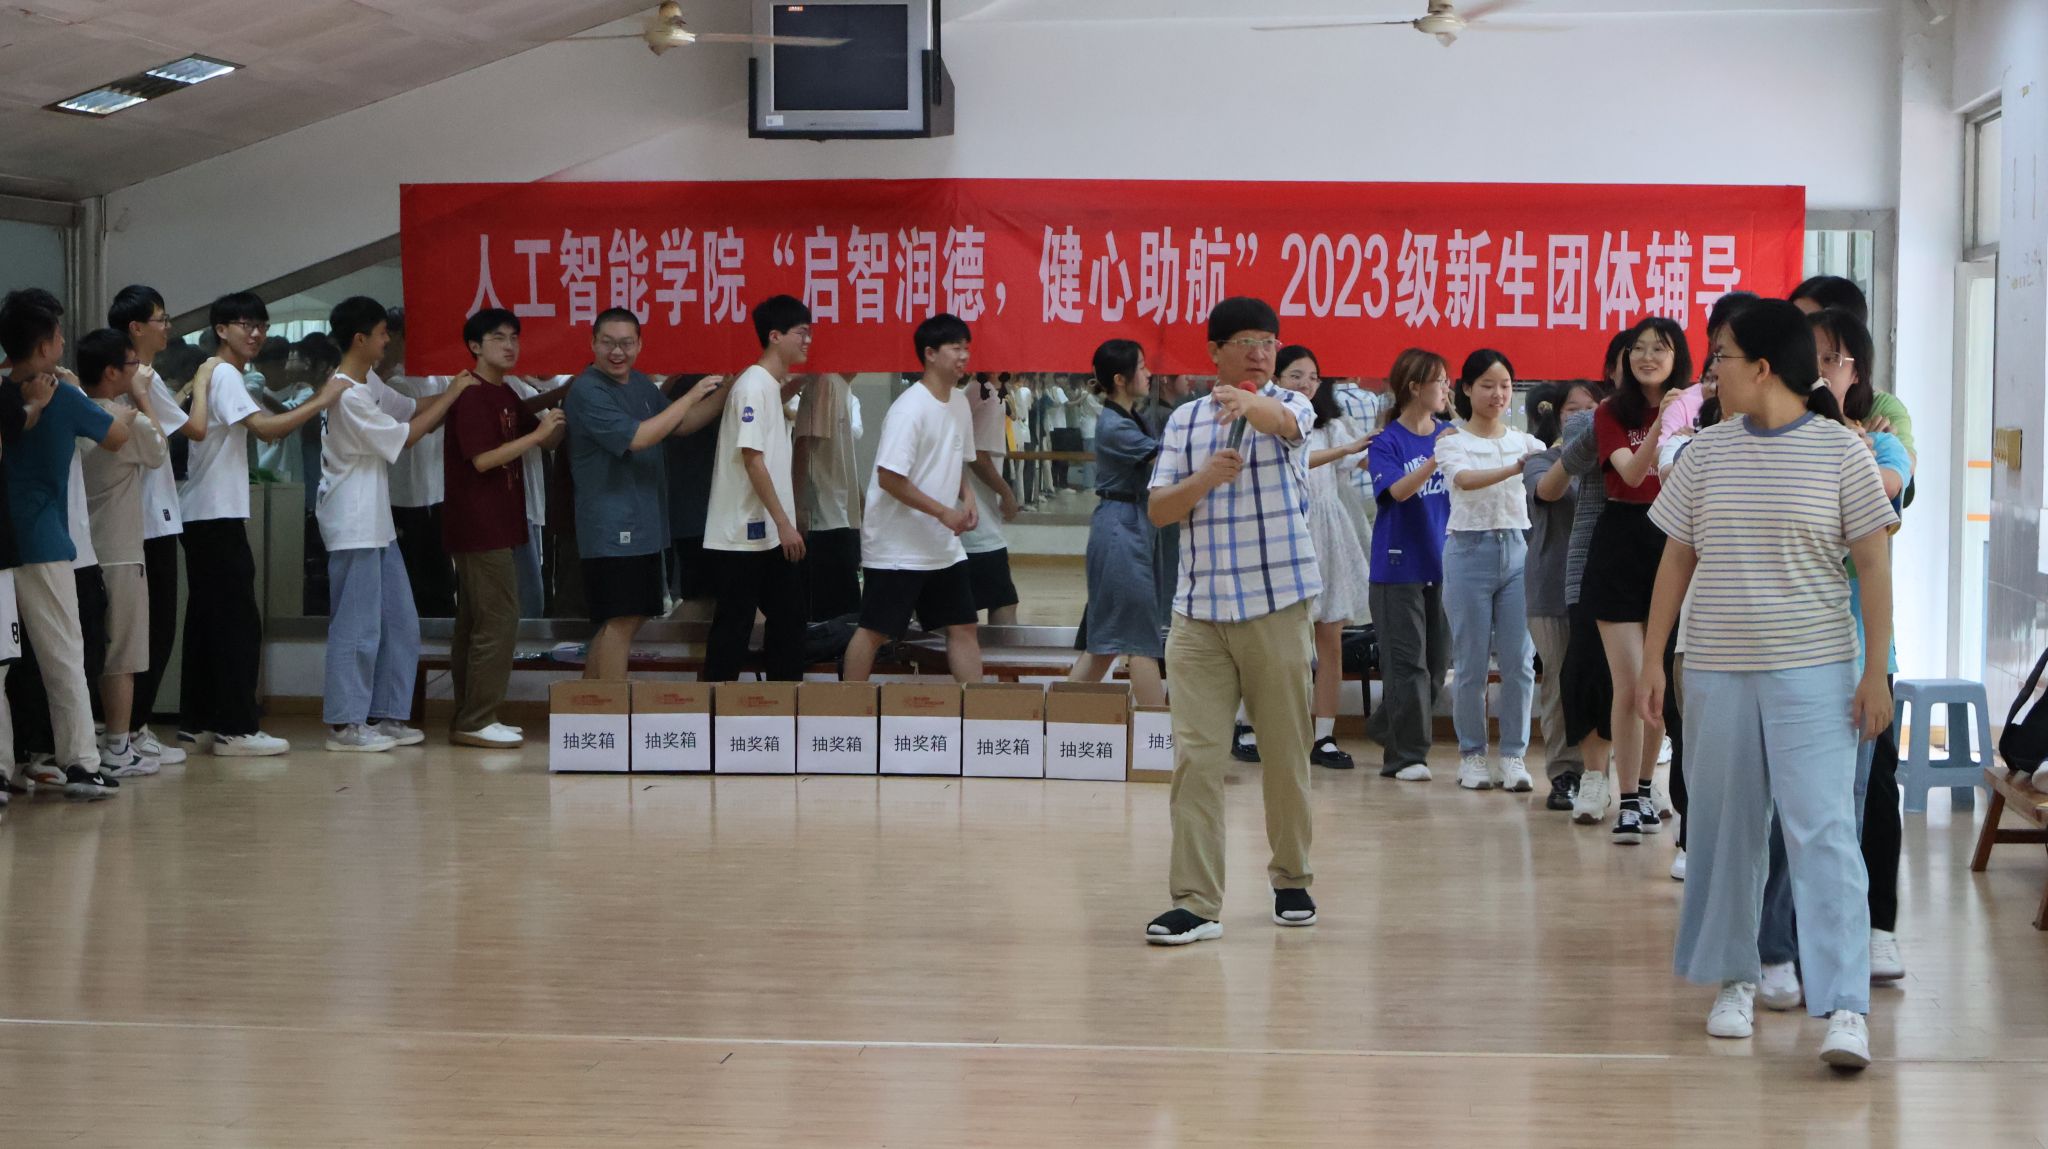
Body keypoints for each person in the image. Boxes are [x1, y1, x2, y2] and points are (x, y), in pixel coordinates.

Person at [1638, 297, 1895, 1070]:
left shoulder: (1842, 452)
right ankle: (1735, 979)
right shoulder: (1707, 453)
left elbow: (1874, 563)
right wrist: (1652, 658)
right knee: (1725, 830)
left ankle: (1845, 1004)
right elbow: (1675, 558)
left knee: (1823, 832)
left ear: (1762, 366)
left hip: (1817, 670)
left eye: (1721, 356)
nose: (1710, 370)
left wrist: (1875, 671)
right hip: (1717, 669)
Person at [1750, 306, 1916, 1011]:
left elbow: (1884, 492)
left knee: (1849, 807)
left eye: (1832, 359)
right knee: (1787, 810)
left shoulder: (1880, 440)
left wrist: (1845, 437)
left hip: (1862, 652)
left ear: (1857, 370)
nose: (1819, 371)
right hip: (1786, 648)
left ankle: (1850, 952)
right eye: (1811, 357)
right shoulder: (1768, 440)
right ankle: (1775, 948)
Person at [1142, 297, 1321, 946]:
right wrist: (1204, 480)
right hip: (1198, 615)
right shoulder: (1184, 421)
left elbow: (1284, 422)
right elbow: (1160, 509)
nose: (1260, 352)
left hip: (1277, 604)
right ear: (1214, 351)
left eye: (1268, 341)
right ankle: (1195, 902)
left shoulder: (1290, 404)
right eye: (1245, 341)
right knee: (1196, 758)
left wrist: (1250, 404)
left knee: (1284, 751)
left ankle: (1292, 877)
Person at [180, 292, 346, 756]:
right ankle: (236, 728)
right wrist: (324, 398)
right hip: (215, 513)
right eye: (246, 324)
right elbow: (269, 429)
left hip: (202, 512)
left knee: (207, 620)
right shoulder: (224, 373)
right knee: (237, 623)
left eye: (262, 325)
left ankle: (199, 722)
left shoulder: (215, 373)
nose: (256, 334)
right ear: (221, 330)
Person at [318, 297, 472, 752]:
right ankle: (346, 724)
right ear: (360, 338)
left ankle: (386, 715)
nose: (389, 341)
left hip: (377, 522)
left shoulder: (367, 382)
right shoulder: (346, 393)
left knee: (400, 621)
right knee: (357, 625)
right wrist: (454, 395)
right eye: (383, 333)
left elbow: (408, 408)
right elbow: (405, 436)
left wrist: (458, 389)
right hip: (352, 522)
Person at [0, 291, 131, 799]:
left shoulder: (4, 395)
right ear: (45, 346)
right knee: (63, 655)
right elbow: (116, 436)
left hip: (3, 540)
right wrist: (83, 391)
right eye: (57, 336)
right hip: (43, 541)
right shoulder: (64, 395)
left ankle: (6, 767)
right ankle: (80, 762)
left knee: (2, 664)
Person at [565, 309, 724, 681]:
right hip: (611, 529)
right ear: (593, 343)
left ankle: (588, 702)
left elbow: (680, 424)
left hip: (645, 526)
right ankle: (611, 706)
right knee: (620, 619)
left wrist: (729, 388)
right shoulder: (588, 390)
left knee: (628, 618)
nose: (617, 352)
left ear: (639, 345)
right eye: (608, 343)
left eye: (626, 343)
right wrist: (691, 394)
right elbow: (638, 438)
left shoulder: (639, 384)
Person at [1583, 316, 1691, 842]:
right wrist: (1660, 424)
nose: (1647, 357)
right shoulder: (1609, 411)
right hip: (1621, 542)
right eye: (1638, 348)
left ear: (1677, 358)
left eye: (1659, 348)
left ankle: (1648, 789)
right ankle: (1626, 798)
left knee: (1659, 682)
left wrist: (1677, 414)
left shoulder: (1695, 408)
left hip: (1674, 543)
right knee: (1628, 684)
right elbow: (1629, 472)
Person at [442, 310, 564, 747]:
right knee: (498, 619)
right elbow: (483, 460)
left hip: (500, 522)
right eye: (498, 338)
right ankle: (477, 718)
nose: (510, 346)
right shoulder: (472, 395)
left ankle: (470, 716)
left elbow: (545, 436)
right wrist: (538, 436)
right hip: (479, 525)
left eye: (514, 337)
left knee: (476, 621)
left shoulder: (504, 391)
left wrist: (559, 411)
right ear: (475, 346)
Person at [841, 315, 984, 683]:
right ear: (930, 354)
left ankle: (979, 709)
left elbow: (956, 459)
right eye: (955, 348)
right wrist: (943, 513)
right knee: (875, 630)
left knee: (964, 626)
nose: (964, 355)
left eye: (966, 348)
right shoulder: (909, 408)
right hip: (897, 546)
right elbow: (889, 478)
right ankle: (844, 708)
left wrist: (968, 497)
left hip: (942, 545)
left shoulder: (959, 403)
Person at [1436, 350, 1544, 792]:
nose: (1498, 394)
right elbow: (1463, 480)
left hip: (1518, 549)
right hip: (1468, 551)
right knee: (1470, 663)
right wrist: (1516, 469)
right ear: (1466, 389)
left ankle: (1514, 756)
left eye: (1505, 385)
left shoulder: (1528, 443)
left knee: (1519, 661)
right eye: (1487, 385)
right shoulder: (1452, 441)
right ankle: (1473, 755)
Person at [704, 295, 813, 683]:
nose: (808, 341)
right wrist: (785, 523)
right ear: (775, 335)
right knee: (733, 627)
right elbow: (753, 460)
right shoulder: (752, 385)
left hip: (768, 533)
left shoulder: (767, 385)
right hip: (742, 535)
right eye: (801, 332)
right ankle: (713, 708)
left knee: (789, 619)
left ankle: (783, 703)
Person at [1274, 345, 1373, 770]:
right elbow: (1301, 460)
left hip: (1329, 536)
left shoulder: (1332, 425)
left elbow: (1363, 459)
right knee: (1278, 641)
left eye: (1313, 377)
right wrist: (1346, 450)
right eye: (1296, 375)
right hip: (1286, 534)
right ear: (1276, 380)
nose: (1306, 384)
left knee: (1330, 639)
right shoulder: (1269, 423)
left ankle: (1324, 735)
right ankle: (1253, 724)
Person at [77, 327, 170, 777]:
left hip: (81, 552)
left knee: (88, 652)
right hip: (120, 550)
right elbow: (160, 450)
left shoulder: (73, 412)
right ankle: (118, 745)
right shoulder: (123, 419)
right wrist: (143, 398)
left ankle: (92, 739)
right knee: (123, 656)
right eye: (131, 365)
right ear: (112, 372)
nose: (138, 371)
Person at [108, 285, 190, 765]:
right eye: (160, 318)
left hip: (148, 516)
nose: (167, 326)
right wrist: (202, 384)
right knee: (153, 629)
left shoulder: (135, 376)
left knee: (147, 630)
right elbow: (189, 430)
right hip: (147, 520)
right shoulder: (141, 377)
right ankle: (133, 729)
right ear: (136, 327)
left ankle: (131, 728)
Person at [1364, 350, 1454, 782]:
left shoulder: (1452, 434)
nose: (1447, 389)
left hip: (1444, 563)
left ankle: (1386, 726)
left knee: (1436, 667)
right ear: (1415, 387)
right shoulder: (1387, 441)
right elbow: (1398, 491)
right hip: (1397, 567)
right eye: (1440, 381)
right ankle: (1406, 756)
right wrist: (1438, 457)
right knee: (1408, 666)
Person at [1067, 339, 1165, 707]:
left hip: (1130, 522)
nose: (1149, 373)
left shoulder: (1131, 417)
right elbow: (1165, 458)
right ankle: (1158, 732)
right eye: (1141, 367)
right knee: (1139, 640)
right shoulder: (1114, 425)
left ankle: (1054, 718)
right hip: (1120, 528)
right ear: (1120, 379)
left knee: (1105, 642)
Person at [1523, 380, 1600, 809]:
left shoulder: (1615, 461)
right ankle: (1564, 773)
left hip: (1602, 587)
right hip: (1551, 588)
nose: (1584, 418)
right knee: (1558, 680)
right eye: (1574, 410)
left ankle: (1600, 776)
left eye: (1593, 409)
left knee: (1602, 683)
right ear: (1557, 415)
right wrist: (1577, 451)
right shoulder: (1541, 461)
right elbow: (1548, 491)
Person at [379, 307, 459, 619]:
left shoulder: (440, 378)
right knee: (413, 581)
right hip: (402, 496)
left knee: (439, 580)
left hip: (434, 493)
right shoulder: (396, 383)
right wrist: (451, 401)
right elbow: (414, 429)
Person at [792, 372, 863, 621]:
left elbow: (843, 457)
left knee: (847, 613)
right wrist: (799, 505)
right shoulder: (825, 382)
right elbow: (803, 445)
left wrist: (860, 501)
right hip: (822, 517)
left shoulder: (843, 388)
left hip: (841, 515)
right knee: (831, 615)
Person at [959, 372, 1023, 626]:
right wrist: (1007, 493)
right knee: (1003, 601)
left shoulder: (977, 392)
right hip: (978, 527)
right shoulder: (985, 395)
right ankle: (1001, 652)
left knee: (966, 610)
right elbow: (978, 456)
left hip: (970, 521)